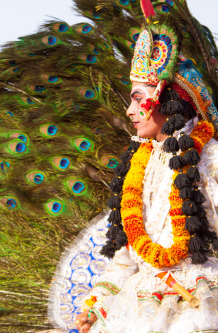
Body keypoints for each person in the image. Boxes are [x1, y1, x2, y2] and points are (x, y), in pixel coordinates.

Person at [72, 2, 218, 332]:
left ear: (167, 99)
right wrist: (94, 310)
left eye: (138, 98)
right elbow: (125, 260)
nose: (129, 110)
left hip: (199, 306)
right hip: (136, 308)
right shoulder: (139, 165)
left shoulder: (210, 159)